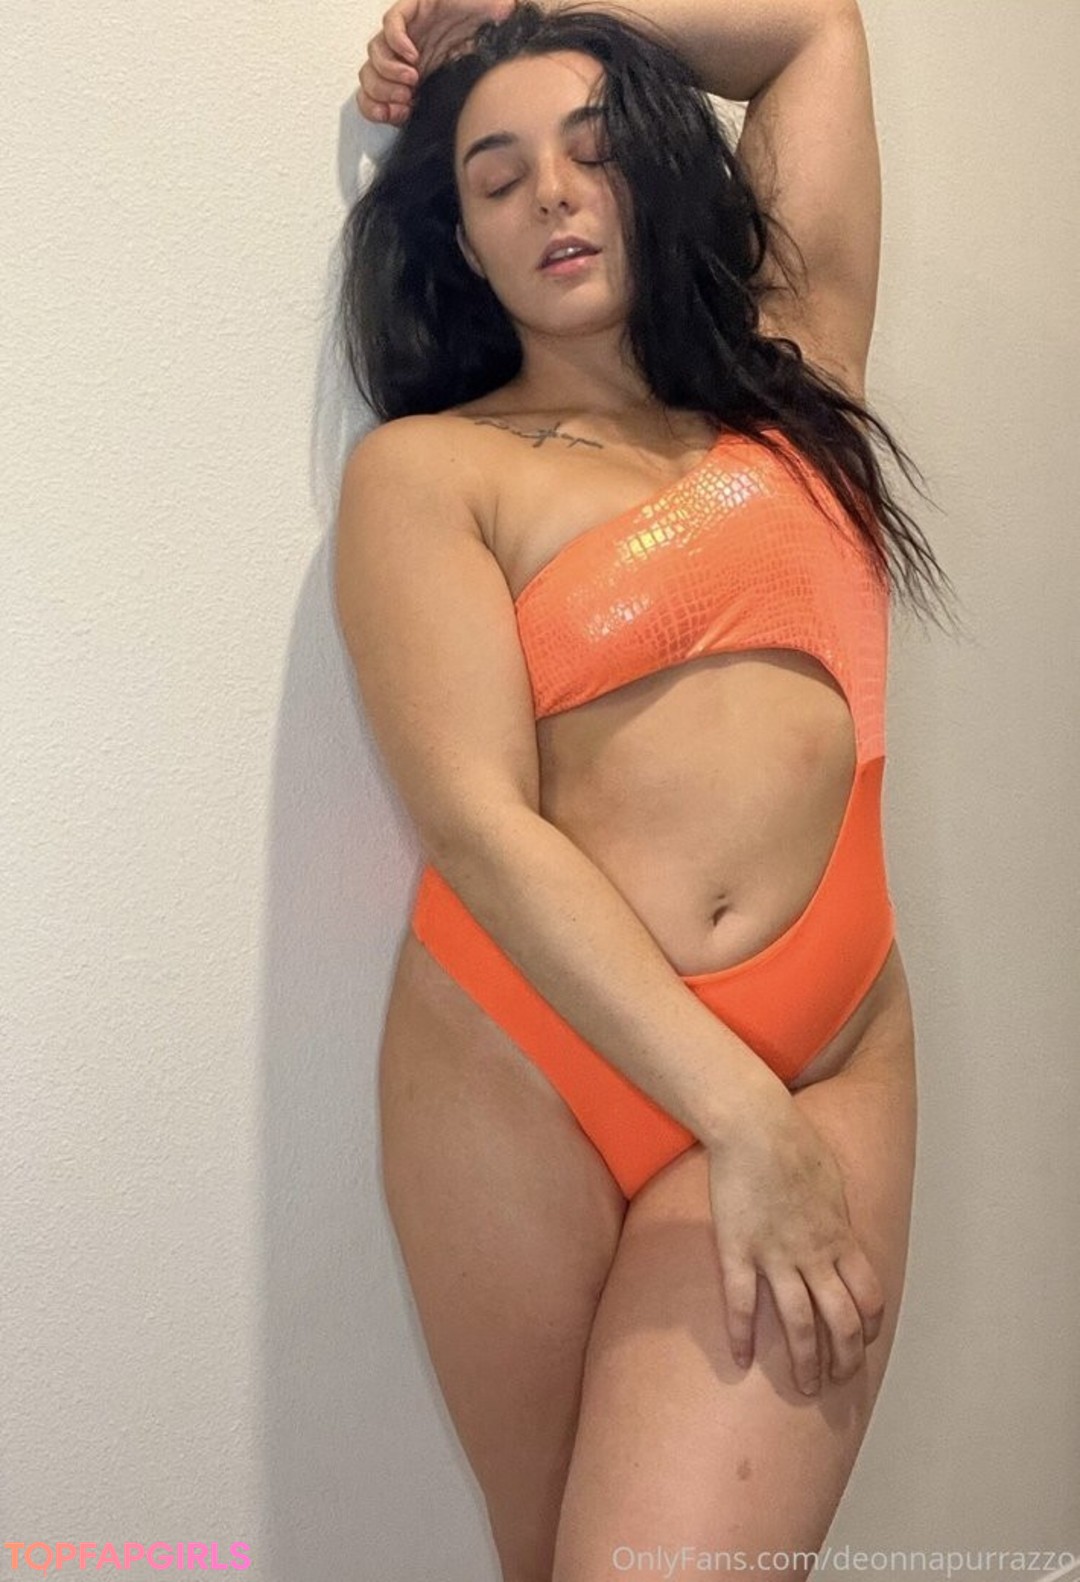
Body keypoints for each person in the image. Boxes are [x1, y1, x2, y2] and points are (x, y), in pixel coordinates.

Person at [334, 0, 959, 1576]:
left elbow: (813, 32)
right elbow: (477, 820)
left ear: (656, 171)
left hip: (823, 1056)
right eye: (497, 177)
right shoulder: (429, 470)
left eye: (594, 150)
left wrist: (527, 11)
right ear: (462, 239)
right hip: (521, 1065)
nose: (551, 193)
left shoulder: (794, 377)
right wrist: (733, 1111)